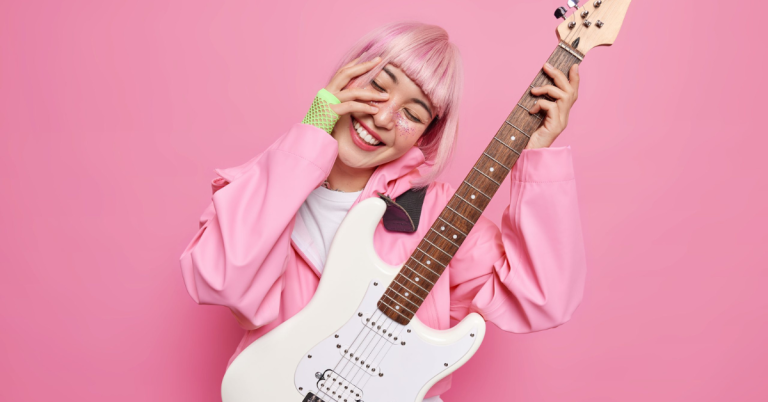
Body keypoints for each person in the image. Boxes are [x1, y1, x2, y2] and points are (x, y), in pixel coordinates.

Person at [180, 21, 586, 402]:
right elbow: (220, 281)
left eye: (412, 113)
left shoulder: (437, 214)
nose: (381, 117)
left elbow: (543, 300)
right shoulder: (267, 184)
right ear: (347, 77)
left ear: (426, 136)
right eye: (378, 87)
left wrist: (538, 158)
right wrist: (311, 133)